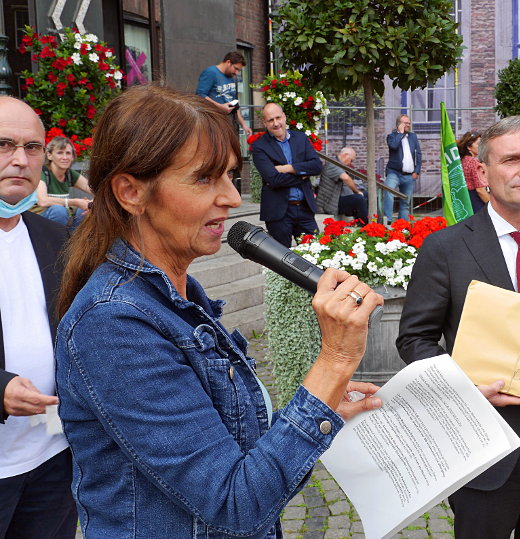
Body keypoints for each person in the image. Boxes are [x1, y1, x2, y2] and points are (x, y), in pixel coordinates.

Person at [54, 85, 384, 538]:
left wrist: (325, 406)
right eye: (205, 178)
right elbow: (236, 504)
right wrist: (336, 360)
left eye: (230, 175)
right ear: (131, 191)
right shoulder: (114, 323)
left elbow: (241, 457)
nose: (231, 198)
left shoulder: (180, 293)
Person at [397, 115, 520, 539]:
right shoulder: (445, 248)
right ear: (482, 172)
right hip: (484, 441)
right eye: (512, 159)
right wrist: (463, 384)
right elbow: (413, 339)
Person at [0, 97, 76, 538]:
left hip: (53, 458)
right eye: (5, 144)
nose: (19, 160)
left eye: (32, 148)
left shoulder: (54, 236)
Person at [252, 102, 322, 246]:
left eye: (278, 118)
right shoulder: (260, 146)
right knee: (282, 261)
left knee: (314, 252)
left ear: (284, 117)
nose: (276, 123)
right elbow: (274, 179)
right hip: (278, 213)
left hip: (305, 209)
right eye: (271, 120)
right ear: (265, 123)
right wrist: (302, 175)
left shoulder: (301, 138)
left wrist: (288, 168)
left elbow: (316, 166)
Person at [32, 135, 92, 228]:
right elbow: (43, 201)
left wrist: (92, 203)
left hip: (61, 221)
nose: (65, 157)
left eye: (68, 153)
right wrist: (76, 202)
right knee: (58, 210)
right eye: (60, 153)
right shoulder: (42, 173)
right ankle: (56, 241)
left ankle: (74, 240)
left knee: (83, 211)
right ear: (49, 155)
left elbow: (95, 190)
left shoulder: (69, 174)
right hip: (38, 222)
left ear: (72, 157)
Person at [195, 51, 252, 138]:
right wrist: (220, 106)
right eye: (236, 68)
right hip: (213, 122)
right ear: (228, 62)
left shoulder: (231, 78)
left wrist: (244, 125)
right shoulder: (210, 72)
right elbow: (200, 95)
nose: (236, 73)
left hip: (229, 123)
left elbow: (235, 103)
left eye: (238, 70)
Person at [315, 147, 369, 225]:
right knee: (359, 199)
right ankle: (365, 226)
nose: (351, 163)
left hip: (336, 200)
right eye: (351, 160)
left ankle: (372, 222)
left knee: (367, 195)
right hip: (329, 204)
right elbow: (346, 178)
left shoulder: (337, 163)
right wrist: (357, 191)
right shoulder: (332, 164)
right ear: (345, 155)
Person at [383, 114, 421, 223]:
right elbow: (394, 146)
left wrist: (417, 170)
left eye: (409, 123)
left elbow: (418, 154)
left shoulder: (413, 137)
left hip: (409, 175)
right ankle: (388, 220)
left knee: (405, 202)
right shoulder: (391, 136)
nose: (408, 125)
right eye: (406, 123)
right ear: (399, 124)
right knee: (388, 192)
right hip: (394, 173)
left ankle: (402, 225)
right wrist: (399, 133)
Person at [457, 131, 490, 213]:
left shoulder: (460, 161)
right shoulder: (473, 162)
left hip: (464, 201)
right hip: (476, 201)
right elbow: (480, 190)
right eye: (478, 144)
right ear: (469, 147)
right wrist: (492, 207)